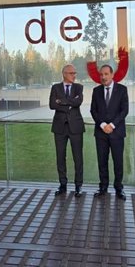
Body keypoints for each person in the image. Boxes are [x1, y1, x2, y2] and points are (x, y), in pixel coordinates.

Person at [90, 64, 129, 200]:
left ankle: (119, 188)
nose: (103, 77)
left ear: (112, 75)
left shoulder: (122, 90)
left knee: (118, 162)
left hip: (117, 133)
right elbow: (93, 111)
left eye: (106, 74)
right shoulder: (96, 91)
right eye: (101, 74)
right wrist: (102, 125)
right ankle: (103, 187)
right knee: (102, 161)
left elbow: (124, 110)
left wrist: (112, 125)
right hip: (101, 133)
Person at [49, 64, 85, 197]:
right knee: (60, 157)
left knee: (78, 158)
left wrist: (62, 102)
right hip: (60, 128)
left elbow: (78, 102)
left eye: (75, 73)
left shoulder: (78, 87)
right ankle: (62, 185)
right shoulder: (55, 87)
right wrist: (70, 103)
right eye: (71, 73)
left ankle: (78, 186)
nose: (74, 75)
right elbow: (52, 105)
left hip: (76, 127)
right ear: (64, 74)